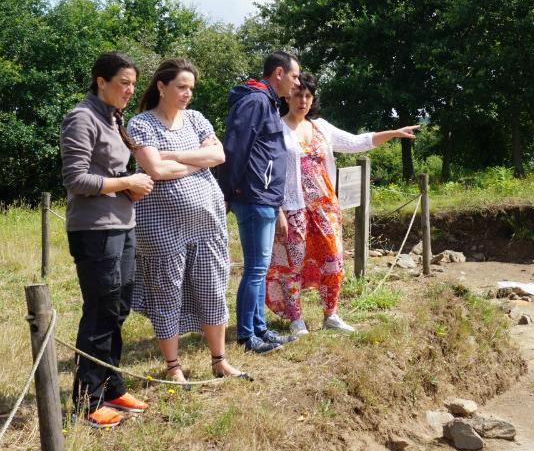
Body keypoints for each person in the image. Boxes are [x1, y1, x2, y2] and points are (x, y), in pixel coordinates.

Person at [266, 72, 418, 334]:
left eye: (308, 96)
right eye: (298, 94)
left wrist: (393, 133)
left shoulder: (321, 127)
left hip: (325, 206)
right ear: (288, 96)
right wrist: (277, 209)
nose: (303, 100)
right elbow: (271, 173)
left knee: (333, 258)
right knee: (293, 263)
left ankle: (331, 314)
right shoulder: (277, 129)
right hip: (293, 208)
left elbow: (357, 141)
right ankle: (296, 319)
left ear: (313, 100)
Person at [126, 58, 245, 381]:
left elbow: (218, 156)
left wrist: (173, 156)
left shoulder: (196, 119)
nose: (187, 93)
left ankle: (219, 360)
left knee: (212, 288)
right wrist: (196, 161)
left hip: (207, 224)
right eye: (181, 87)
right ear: (161, 87)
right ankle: (173, 367)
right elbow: (155, 170)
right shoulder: (141, 125)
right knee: (168, 293)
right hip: (160, 226)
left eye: (191, 88)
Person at [60, 51, 154, 429]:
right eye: (123, 83)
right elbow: (76, 179)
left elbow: (107, 171)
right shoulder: (81, 118)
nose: (130, 90)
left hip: (122, 224)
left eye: (133, 83)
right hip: (94, 230)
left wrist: (127, 188)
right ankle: (88, 400)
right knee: (99, 312)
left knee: (118, 308)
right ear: (101, 81)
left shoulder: (113, 118)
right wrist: (127, 182)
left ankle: (111, 385)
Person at [217, 51, 301, 353]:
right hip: (253, 196)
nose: (297, 82)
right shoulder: (255, 102)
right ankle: (246, 335)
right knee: (255, 267)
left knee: (260, 267)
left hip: (263, 197)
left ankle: (260, 329)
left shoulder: (266, 102)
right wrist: (226, 193)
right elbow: (235, 149)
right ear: (278, 73)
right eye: (294, 76)